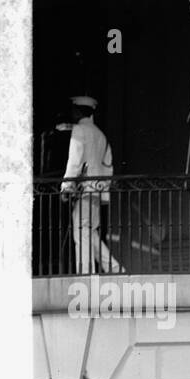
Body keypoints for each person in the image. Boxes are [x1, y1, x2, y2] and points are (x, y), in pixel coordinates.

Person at [60, 95, 123, 275]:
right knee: (90, 232)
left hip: (85, 190)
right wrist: (104, 192)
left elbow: (75, 159)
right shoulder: (101, 135)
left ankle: (86, 273)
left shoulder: (80, 130)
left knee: (81, 232)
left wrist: (67, 187)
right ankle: (115, 268)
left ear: (79, 111)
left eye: (74, 110)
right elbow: (108, 166)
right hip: (96, 191)